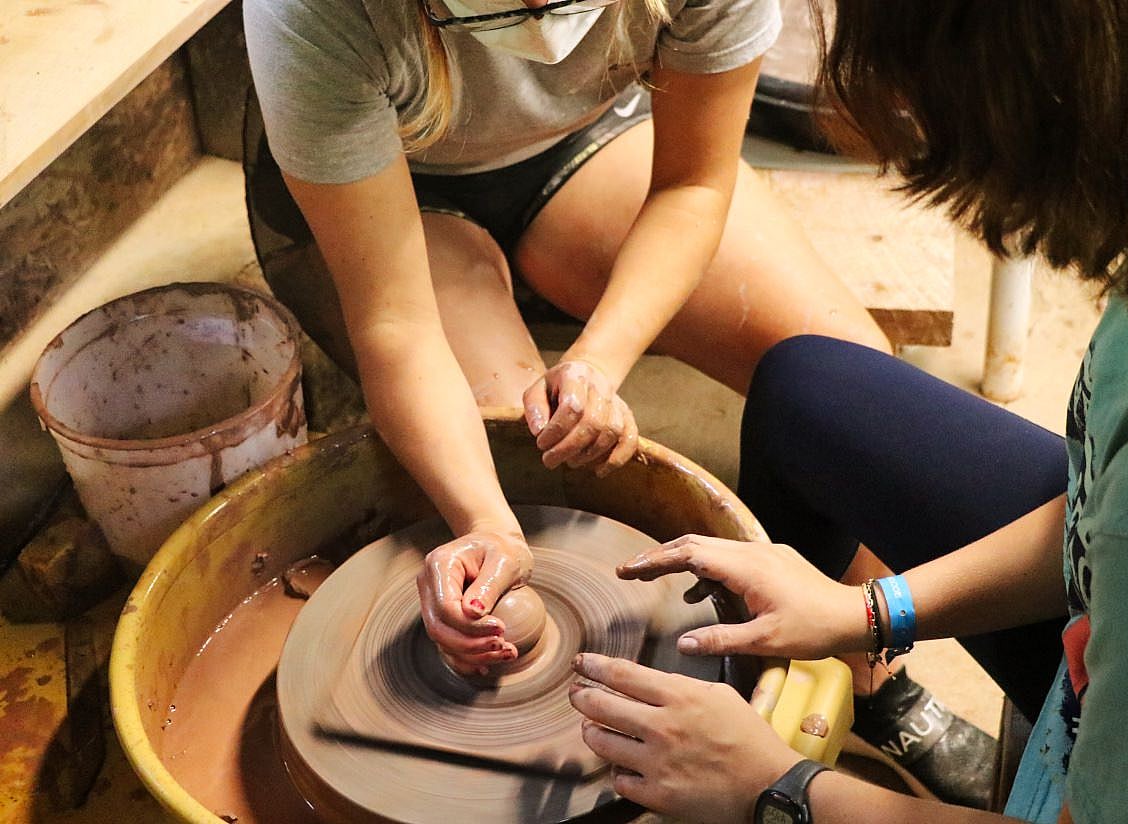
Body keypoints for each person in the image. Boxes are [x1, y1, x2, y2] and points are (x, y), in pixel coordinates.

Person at [568, 0, 1128, 821]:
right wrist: (866, 612)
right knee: (808, 388)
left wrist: (776, 785)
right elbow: (1096, 511)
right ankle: (878, 689)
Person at [241, 0, 890, 681]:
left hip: (584, 135)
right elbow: (396, 324)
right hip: (393, 183)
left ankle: (872, 681)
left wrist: (597, 363)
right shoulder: (312, 11)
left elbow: (692, 185)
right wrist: (486, 523)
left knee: (860, 391)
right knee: (525, 471)